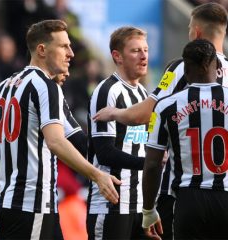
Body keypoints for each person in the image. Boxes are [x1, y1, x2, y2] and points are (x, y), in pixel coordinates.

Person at [0, 19, 120, 240]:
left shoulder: (6, 85)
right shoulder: (45, 86)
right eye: (64, 46)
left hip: (15, 203)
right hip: (32, 203)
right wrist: (96, 175)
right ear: (42, 50)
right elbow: (56, 141)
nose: (71, 53)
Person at [93, 3, 228, 239]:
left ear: (196, 32)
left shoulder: (182, 67)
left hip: (183, 192)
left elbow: (145, 114)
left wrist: (115, 113)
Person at [143, 38, 228, 239]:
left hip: (189, 200)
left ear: (186, 69)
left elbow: (153, 164)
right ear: (216, 67)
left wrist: (148, 211)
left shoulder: (166, 106)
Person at [87, 26, 148, 240]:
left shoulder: (143, 94)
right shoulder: (107, 91)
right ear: (117, 56)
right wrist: (148, 164)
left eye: (146, 50)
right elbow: (104, 152)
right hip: (111, 203)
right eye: (136, 51)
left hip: (140, 204)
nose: (143, 57)